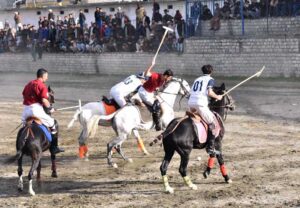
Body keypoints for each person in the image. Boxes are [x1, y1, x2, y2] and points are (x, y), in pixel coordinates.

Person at [21, 68, 64, 154]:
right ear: (43, 76)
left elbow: (23, 94)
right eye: (46, 76)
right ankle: (54, 147)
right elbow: (44, 100)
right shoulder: (42, 86)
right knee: (52, 123)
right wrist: (50, 108)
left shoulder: (28, 84)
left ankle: (23, 146)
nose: (47, 78)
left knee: (24, 127)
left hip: (25, 111)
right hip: (35, 110)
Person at [188, 65, 223, 155]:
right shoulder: (210, 79)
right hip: (200, 104)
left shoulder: (197, 79)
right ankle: (210, 147)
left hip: (191, 103)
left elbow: (190, 92)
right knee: (213, 124)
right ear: (211, 71)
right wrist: (218, 97)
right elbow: (209, 92)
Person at [138, 63, 174, 131]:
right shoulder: (155, 75)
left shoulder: (163, 81)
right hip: (144, 92)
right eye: (169, 78)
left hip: (149, 93)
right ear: (166, 75)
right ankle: (157, 125)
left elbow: (156, 87)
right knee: (157, 105)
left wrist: (156, 90)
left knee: (160, 101)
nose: (169, 79)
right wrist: (151, 64)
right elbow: (146, 74)